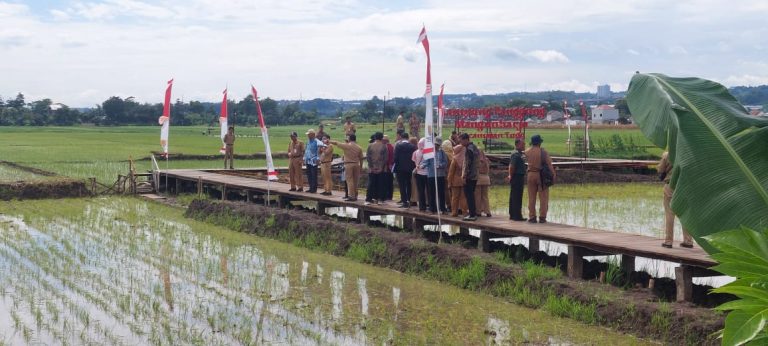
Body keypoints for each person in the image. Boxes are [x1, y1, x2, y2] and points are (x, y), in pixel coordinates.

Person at [659, 151, 694, 248]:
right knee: (685, 214)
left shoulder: (667, 155)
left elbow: (661, 171)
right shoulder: (687, 153)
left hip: (670, 186)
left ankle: (668, 241)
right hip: (685, 186)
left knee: (669, 214)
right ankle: (688, 241)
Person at [525, 134, 556, 223]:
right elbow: (549, 165)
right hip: (541, 176)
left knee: (531, 197)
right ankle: (542, 217)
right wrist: (553, 175)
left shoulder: (527, 151)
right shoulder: (543, 152)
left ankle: (532, 217)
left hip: (530, 174)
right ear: (539, 143)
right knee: (543, 197)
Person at [330, 134, 363, 201]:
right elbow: (361, 158)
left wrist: (328, 141)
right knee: (355, 181)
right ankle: (355, 195)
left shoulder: (347, 145)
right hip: (356, 164)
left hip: (348, 164)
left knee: (349, 180)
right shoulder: (359, 147)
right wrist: (361, 167)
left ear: (350, 139)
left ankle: (351, 196)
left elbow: (336, 143)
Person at [423, 139, 448, 213]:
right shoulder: (428, 151)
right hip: (431, 175)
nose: (436, 146)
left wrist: (440, 165)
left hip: (440, 175)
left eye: (437, 145)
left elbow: (445, 162)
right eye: (435, 144)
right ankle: (432, 208)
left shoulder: (442, 152)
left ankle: (443, 208)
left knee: (441, 192)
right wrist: (422, 166)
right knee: (431, 192)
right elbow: (425, 162)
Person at [393, 132, 416, 208]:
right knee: (409, 184)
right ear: (408, 137)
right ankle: (409, 200)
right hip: (410, 168)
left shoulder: (398, 146)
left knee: (402, 185)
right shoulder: (413, 147)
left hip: (400, 168)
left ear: (402, 138)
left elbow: (395, 158)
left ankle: (404, 201)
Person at [365, 132, 389, 205]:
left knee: (371, 184)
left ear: (375, 137)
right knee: (381, 184)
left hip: (371, 169)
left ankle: (368, 199)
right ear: (381, 138)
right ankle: (381, 199)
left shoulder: (370, 145)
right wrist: (381, 168)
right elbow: (385, 158)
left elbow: (368, 157)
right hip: (381, 169)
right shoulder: (384, 146)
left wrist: (372, 167)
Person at [460, 133, 479, 221]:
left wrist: (464, 176)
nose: (460, 142)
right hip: (475, 175)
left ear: (466, 139)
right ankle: (473, 213)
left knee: (469, 195)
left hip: (469, 176)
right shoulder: (474, 147)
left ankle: (472, 214)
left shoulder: (469, 150)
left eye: (461, 140)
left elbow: (467, 164)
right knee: (471, 195)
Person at [507, 138, 527, 221]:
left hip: (517, 176)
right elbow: (512, 166)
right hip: (517, 177)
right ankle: (517, 216)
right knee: (517, 196)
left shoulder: (519, 154)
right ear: (518, 144)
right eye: (523, 144)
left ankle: (513, 214)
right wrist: (511, 176)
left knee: (514, 196)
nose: (524, 145)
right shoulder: (516, 154)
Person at [448, 143, 467, 217]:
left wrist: (449, 182)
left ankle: (454, 212)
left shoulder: (455, 159)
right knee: (463, 197)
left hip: (455, 181)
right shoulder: (465, 158)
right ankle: (464, 212)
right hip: (463, 180)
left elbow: (451, 172)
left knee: (455, 198)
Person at [304, 129, 324, 193]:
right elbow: (306, 150)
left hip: (314, 160)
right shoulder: (308, 142)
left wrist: (318, 158)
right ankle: (310, 187)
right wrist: (304, 158)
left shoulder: (317, 141)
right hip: (308, 160)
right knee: (309, 174)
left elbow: (319, 150)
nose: (308, 136)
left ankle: (314, 188)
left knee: (314, 174)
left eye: (309, 134)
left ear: (312, 135)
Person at [412, 138, 429, 211]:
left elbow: (414, 161)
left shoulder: (415, 152)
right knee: (429, 191)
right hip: (428, 174)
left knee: (420, 191)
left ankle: (422, 207)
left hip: (419, 173)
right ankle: (430, 205)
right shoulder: (428, 151)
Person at [475, 148, 491, 217]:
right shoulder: (486, 160)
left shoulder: (476, 160)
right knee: (485, 196)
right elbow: (488, 170)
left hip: (478, 179)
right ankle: (488, 211)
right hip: (486, 178)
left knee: (478, 196)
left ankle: (478, 211)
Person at [441, 139, 455, 211]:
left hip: (446, 174)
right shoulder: (453, 153)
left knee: (446, 191)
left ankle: (449, 205)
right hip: (453, 175)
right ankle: (454, 206)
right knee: (452, 191)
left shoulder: (444, 154)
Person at [383, 135, 395, 201]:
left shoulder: (385, 147)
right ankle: (390, 196)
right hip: (391, 167)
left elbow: (386, 158)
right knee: (390, 182)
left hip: (386, 167)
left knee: (386, 182)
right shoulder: (392, 146)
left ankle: (387, 195)